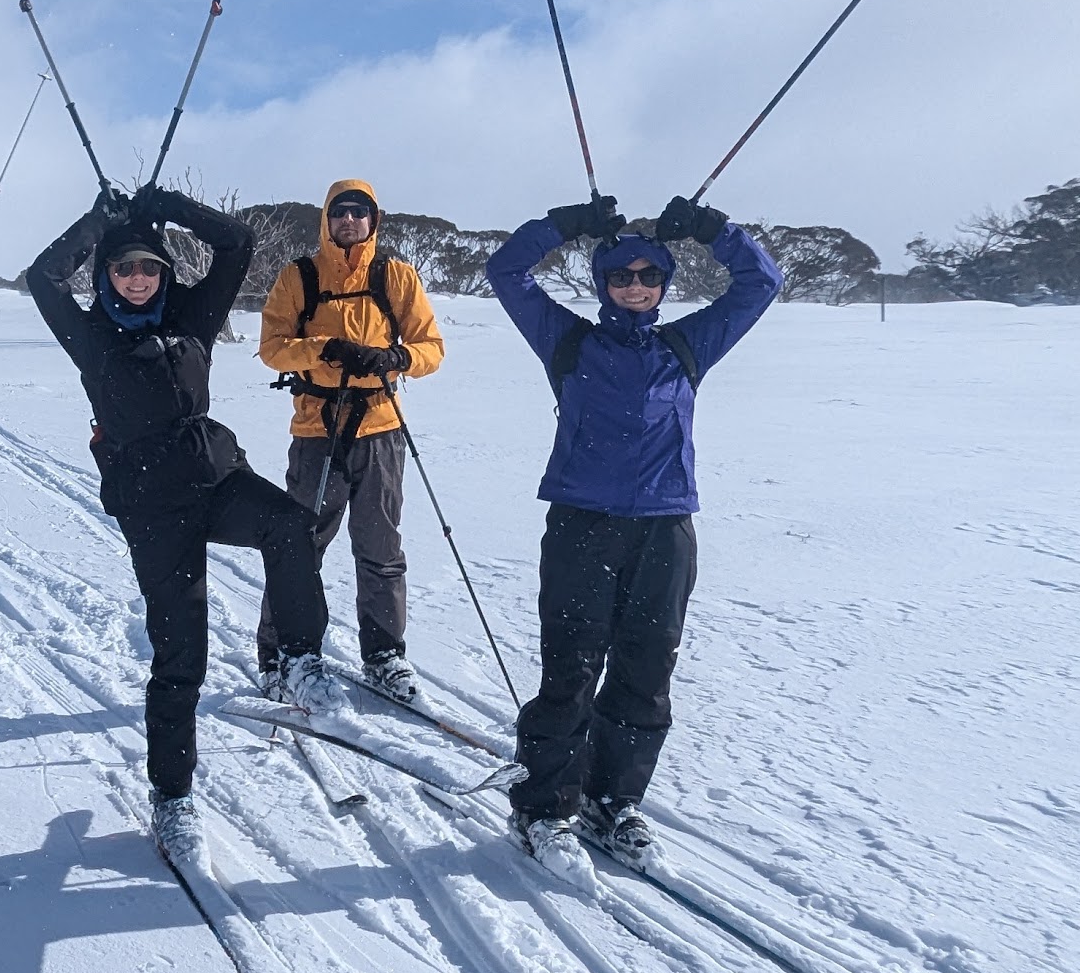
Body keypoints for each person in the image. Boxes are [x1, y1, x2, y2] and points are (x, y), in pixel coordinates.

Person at [25, 185, 331, 865]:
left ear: (166, 274)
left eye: (150, 268)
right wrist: (96, 221)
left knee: (291, 525)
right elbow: (42, 278)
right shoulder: (91, 338)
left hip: (217, 478)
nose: (138, 280)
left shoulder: (191, 318)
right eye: (124, 269)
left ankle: (299, 662)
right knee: (181, 652)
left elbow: (238, 244)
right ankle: (172, 796)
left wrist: (171, 206)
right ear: (106, 276)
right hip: (153, 508)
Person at [484, 193, 779, 874]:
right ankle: (542, 806)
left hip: (666, 527)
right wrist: (564, 226)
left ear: (665, 286)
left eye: (650, 277)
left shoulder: (687, 344)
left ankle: (613, 801)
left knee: (647, 670)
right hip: (582, 525)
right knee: (572, 665)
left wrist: (712, 230)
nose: (637, 287)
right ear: (603, 284)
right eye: (622, 276)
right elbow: (506, 272)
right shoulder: (568, 340)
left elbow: (760, 282)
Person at [253, 180, 445, 700]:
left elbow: (431, 347)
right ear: (327, 219)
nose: (351, 220)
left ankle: (384, 655)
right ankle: (283, 654)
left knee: (381, 547)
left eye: (361, 212)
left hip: (381, 428)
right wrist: (327, 348)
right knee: (299, 546)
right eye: (342, 212)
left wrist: (396, 358)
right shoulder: (300, 276)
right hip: (318, 429)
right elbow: (272, 348)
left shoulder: (395, 275)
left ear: (373, 220)